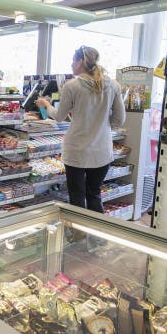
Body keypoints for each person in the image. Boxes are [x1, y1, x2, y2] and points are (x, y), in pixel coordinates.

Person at [37, 46, 126, 213]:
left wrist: (46, 104)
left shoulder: (72, 86)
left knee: (77, 198)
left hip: (77, 151)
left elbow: (59, 116)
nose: (71, 64)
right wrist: (99, 121)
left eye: (73, 60)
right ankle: (95, 237)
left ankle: (77, 237)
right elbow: (119, 119)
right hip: (102, 151)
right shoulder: (113, 85)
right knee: (94, 194)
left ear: (80, 62)